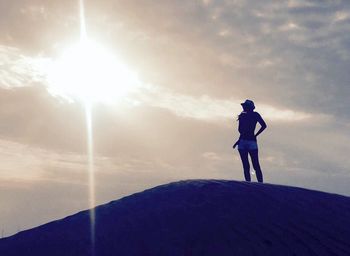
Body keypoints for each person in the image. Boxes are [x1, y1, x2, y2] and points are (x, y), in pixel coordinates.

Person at [233, 99, 267, 182]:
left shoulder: (246, 116)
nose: (244, 107)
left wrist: (255, 135)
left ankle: (255, 184)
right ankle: (253, 184)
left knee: (251, 164)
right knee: (251, 164)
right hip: (247, 141)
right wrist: (255, 135)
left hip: (246, 141)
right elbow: (263, 126)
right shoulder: (247, 116)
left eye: (245, 106)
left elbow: (264, 125)